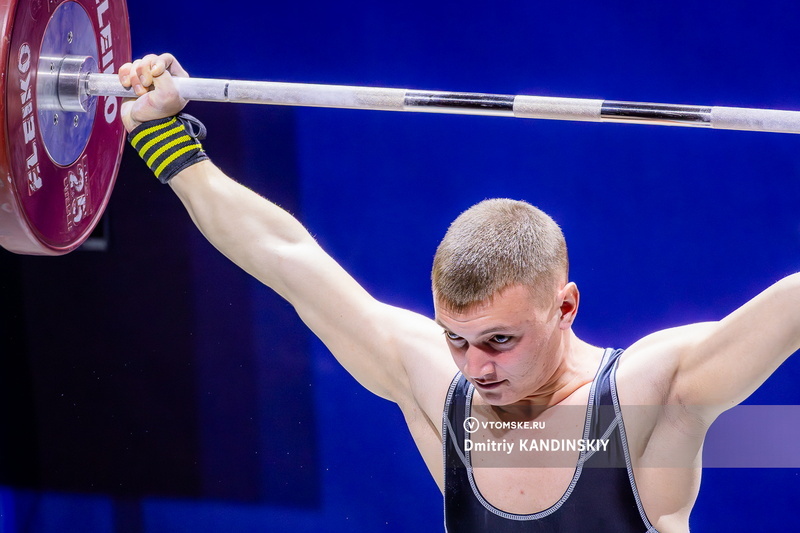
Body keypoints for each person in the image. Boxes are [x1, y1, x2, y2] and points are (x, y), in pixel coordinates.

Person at [118, 54, 800, 533]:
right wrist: (163, 137)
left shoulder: (649, 396)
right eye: (459, 339)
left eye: (501, 340)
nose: (477, 366)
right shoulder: (433, 380)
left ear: (564, 307)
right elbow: (285, 257)